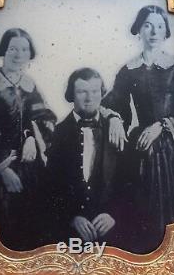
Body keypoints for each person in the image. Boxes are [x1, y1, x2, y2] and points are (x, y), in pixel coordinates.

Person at [103, 5, 174, 253]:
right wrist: (114, 119)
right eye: (148, 25)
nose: (154, 31)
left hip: (173, 149)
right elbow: (113, 103)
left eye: (159, 26)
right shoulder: (129, 70)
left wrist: (162, 126)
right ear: (139, 30)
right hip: (140, 148)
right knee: (139, 213)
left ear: (165, 32)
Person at [0, 28, 57, 251]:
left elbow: (44, 117)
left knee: (33, 223)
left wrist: (30, 138)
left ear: (30, 54)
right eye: (13, 49)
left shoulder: (29, 85)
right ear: (4, 51)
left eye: (24, 49)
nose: (18, 54)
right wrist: (3, 170)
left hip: (28, 165)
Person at [47, 68, 123, 246]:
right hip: (67, 233)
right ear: (71, 95)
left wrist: (113, 214)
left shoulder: (116, 130)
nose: (89, 98)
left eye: (95, 91)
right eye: (82, 92)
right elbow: (47, 188)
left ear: (101, 93)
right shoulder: (56, 134)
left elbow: (129, 182)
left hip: (112, 232)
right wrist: (71, 217)